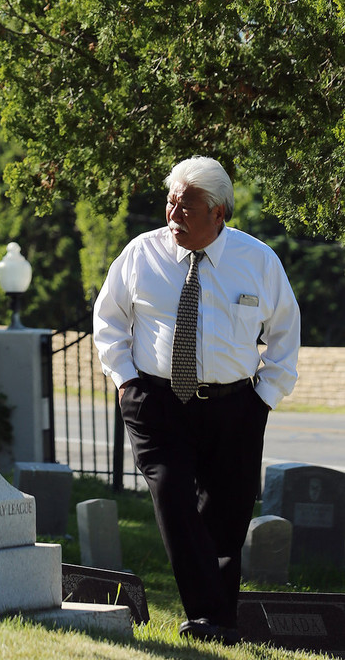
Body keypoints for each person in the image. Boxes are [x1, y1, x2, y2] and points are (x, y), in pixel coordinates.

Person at [93, 156, 300, 643]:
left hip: (235, 408)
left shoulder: (259, 261)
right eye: (171, 202)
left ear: (219, 212)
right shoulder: (142, 254)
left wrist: (264, 398)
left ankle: (218, 623)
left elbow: (286, 335)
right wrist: (126, 382)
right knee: (172, 495)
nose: (174, 215)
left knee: (227, 515)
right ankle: (208, 615)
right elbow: (109, 321)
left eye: (187, 207)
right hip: (157, 402)